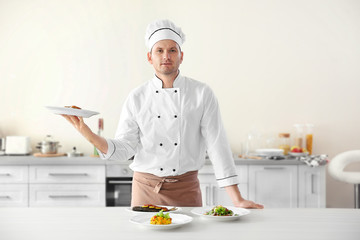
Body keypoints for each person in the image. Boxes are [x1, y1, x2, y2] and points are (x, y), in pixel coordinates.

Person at [62, 19, 263, 209]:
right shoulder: (137, 97)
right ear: (150, 57)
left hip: (186, 189)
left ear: (181, 56)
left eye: (172, 50)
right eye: (159, 50)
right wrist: (85, 131)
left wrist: (237, 199)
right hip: (146, 190)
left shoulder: (202, 93)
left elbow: (217, 144)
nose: (166, 56)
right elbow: (125, 148)